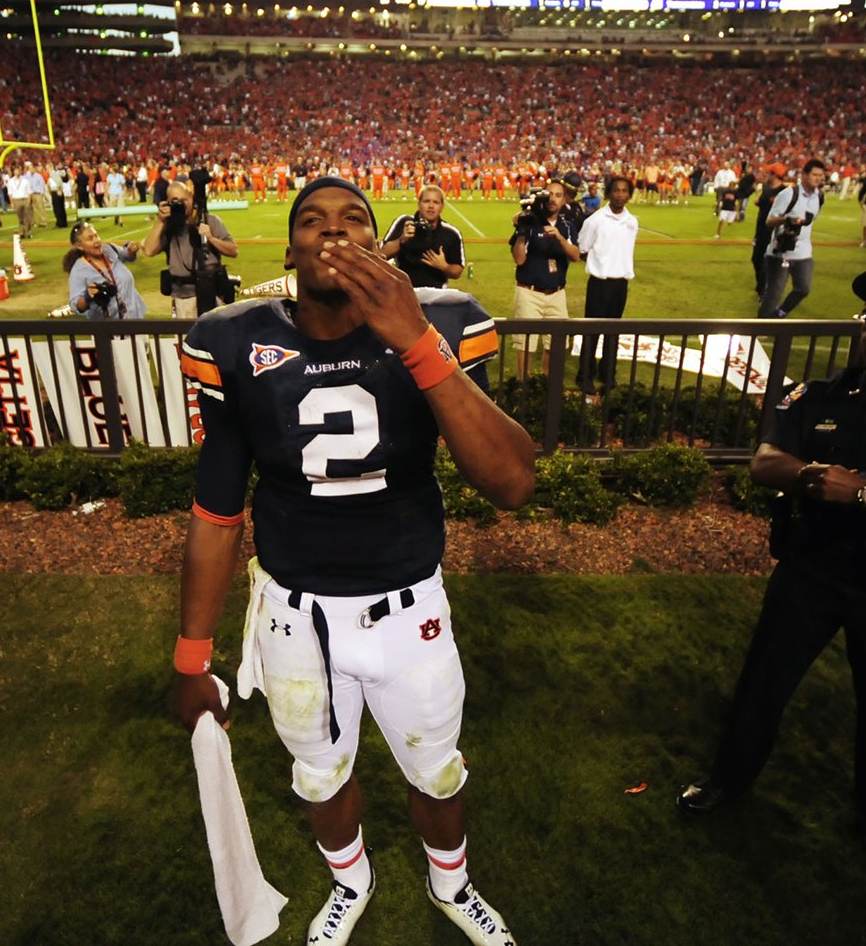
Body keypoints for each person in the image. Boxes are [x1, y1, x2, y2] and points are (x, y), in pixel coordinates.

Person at [173, 176, 535, 945]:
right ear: (290, 249)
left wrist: (415, 343)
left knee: (438, 772)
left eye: (352, 219)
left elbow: (511, 482)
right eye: (312, 220)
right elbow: (216, 507)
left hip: (411, 610)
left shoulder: (439, 322)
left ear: (380, 243)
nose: (332, 232)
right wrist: (191, 654)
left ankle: (451, 882)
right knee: (319, 774)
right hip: (294, 620)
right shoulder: (237, 342)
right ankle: (352, 879)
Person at [677, 266, 866, 872]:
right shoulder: (816, 395)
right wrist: (815, 477)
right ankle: (728, 778)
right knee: (764, 681)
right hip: (813, 565)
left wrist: (860, 494)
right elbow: (765, 460)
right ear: (862, 330)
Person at [509, 178, 581, 378]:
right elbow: (519, 259)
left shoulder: (567, 227)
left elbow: (575, 256)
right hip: (529, 291)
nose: (553, 199)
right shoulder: (530, 221)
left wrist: (558, 237)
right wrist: (522, 232)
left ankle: (547, 386)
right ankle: (523, 388)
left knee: (555, 343)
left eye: (558, 195)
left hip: (557, 293)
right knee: (526, 343)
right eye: (549, 194)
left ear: (564, 200)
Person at [576, 176, 639, 397]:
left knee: (613, 332)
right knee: (591, 331)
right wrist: (599, 263)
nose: (620, 195)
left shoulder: (632, 221)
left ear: (629, 195)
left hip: (621, 284)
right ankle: (584, 376)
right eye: (616, 190)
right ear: (608, 193)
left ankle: (608, 375)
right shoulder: (595, 220)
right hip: (599, 284)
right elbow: (581, 248)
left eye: (624, 191)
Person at [142, 180, 237, 318]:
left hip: (211, 293)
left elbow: (234, 251)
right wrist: (160, 221)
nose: (181, 204)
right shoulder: (168, 227)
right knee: (187, 338)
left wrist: (211, 239)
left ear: (191, 197)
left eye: (184, 199)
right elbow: (149, 250)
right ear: (167, 202)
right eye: (175, 201)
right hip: (182, 298)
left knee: (213, 337)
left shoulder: (210, 220)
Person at [758, 158, 826, 319]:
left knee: (803, 289)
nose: (818, 178)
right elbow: (769, 221)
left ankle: (779, 314)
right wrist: (787, 220)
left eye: (821, 175)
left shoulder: (820, 197)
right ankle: (761, 327)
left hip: (803, 252)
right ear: (804, 175)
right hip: (780, 252)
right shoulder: (789, 194)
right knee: (773, 293)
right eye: (815, 174)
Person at [380, 184, 465, 288]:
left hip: (436, 293)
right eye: (426, 201)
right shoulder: (404, 222)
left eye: (436, 202)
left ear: (442, 207)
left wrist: (444, 266)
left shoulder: (451, 233)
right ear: (419, 204)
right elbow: (381, 254)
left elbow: (457, 272)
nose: (431, 206)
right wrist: (401, 240)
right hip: (405, 291)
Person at [64, 224, 146, 320]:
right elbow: (76, 306)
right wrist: (87, 296)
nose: (97, 240)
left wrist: (131, 250)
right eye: (90, 239)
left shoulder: (110, 249)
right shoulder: (79, 271)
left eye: (96, 235)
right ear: (79, 246)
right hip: (107, 330)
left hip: (136, 322)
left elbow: (128, 256)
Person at [751, 164, 787, 297]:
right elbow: (758, 203)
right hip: (761, 231)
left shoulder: (785, 192)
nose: (766, 175)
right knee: (756, 259)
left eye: (769, 173)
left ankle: (764, 290)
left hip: (774, 233)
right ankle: (761, 285)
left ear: (775, 175)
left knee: (768, 263)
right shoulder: (766, 189)